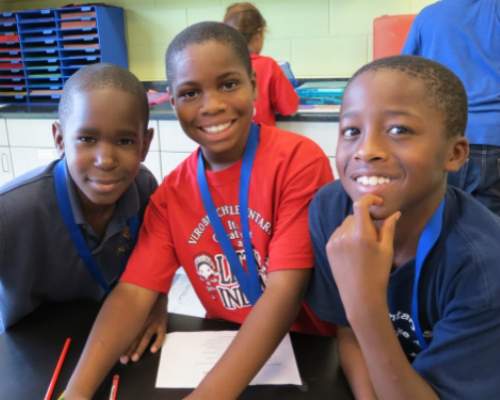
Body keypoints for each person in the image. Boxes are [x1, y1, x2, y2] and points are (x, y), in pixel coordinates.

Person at [63, 21, 335, 399]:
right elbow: (132, 294)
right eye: (191, 93)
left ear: (253, 84)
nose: (212, 105)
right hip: (225, 346)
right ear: (172, 101)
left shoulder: (298, 161)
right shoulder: (171, 194)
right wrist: (75, 392)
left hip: (308, 352)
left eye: (228, 84)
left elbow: (283, 293)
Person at [306, 55, 500, 399]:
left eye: (399, 130)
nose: (366, 150)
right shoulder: (331, 208)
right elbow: (347, 331)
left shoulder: (484, 265)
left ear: (454, 154)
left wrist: (364, 303)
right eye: (352, 131)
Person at [0, 63, 166, 361]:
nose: (105, 160)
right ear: (60, 139)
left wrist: (158, 302)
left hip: (117, 338)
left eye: (125, 141)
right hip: (31, 352)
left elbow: (157, 263)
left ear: (145, 144)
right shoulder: (10, 212)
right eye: (87, 139)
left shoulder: (144, 188)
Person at [402, 0, 500, 216]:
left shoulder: (429, 17)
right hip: (495, 139)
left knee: (441, 224)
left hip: (444, 139)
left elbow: (403, 78)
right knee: (491, 231)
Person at [223, 2, 299, 126]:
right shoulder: (268, 66)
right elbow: (290, 108)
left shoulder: (219, 67)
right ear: (258, 35)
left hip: (228, 143)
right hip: (262, 142)